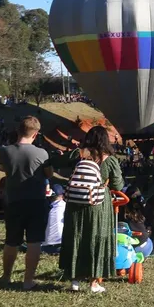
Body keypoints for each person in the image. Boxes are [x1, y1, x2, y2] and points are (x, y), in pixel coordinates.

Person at [60, 125, 125, 293]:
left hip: (74, 202)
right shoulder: (110, 160)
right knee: (96, 238)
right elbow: (118, 184)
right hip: (98, 203)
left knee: (76, 237)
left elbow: (60, 163)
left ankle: (74, 279)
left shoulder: (78, 154)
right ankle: (94, 283)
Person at [0, 116, 50, 290]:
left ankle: (6, 276)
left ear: (18, 130)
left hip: (14, 200)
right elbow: (48, 174)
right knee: (34, 241)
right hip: (36, 201)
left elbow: (5, 170)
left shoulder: (5, 151)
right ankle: (28, 280)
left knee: (11, 241)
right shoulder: (42, 153)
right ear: (35, 134)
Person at [41, 183, 66, 255]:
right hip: (63, 246)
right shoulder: (66, 208)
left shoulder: (46, 209)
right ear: (62, 195)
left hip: (46, 247)